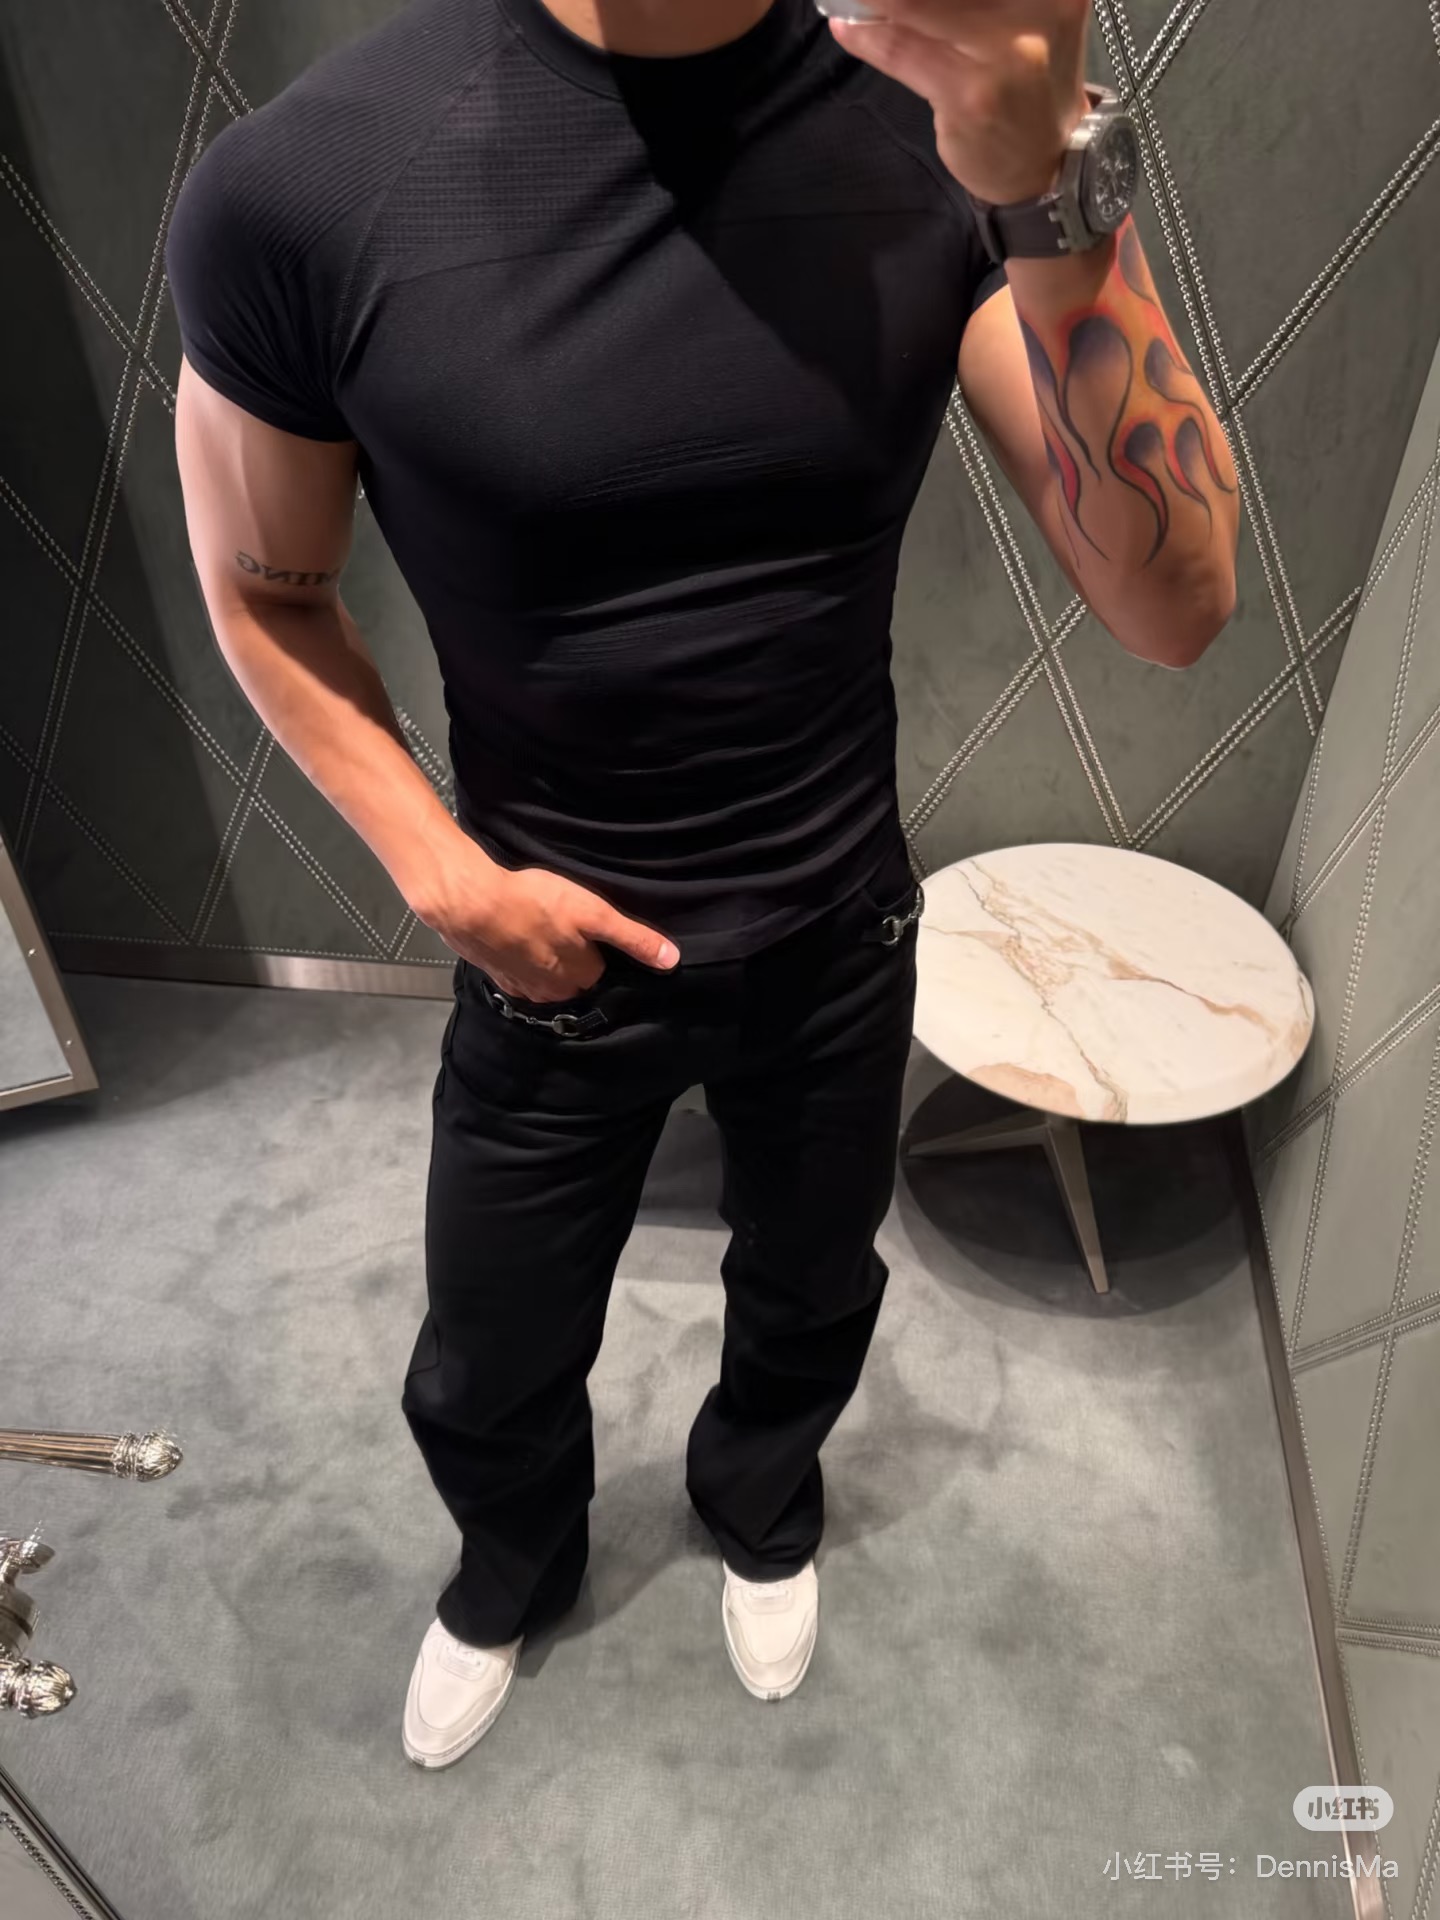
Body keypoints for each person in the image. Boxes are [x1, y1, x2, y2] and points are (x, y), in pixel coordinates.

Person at [166, 0, 1238, 1770]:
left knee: (811, 1292)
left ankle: (761, 1503)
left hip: (839, 924)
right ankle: (512, 1567)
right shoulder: (309, 185)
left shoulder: (946, 129)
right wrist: (445, 878)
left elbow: (1176, 604)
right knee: (489, 1352)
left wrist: (1048, 179)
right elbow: (265, 593)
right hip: (544, 958)